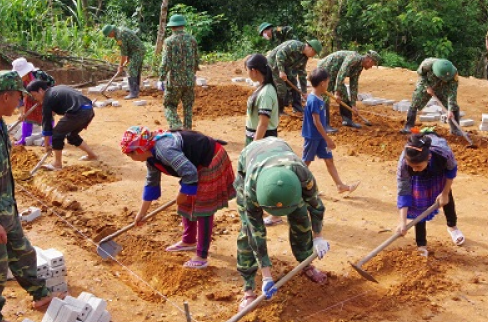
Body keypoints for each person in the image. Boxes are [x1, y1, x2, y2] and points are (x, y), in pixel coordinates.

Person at [0, 70, 61, 322]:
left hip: (4, 208)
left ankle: (40, 293)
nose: (20, 102)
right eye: (18, 96)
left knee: (23, 252)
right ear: (6, 96)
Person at [234, 137, 330, 311]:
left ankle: (305, 263)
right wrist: (266, 277)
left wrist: (318, 237)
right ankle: (248, 289)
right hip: (251, 159)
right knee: (247, 233)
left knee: (301, 218)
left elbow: (316, 205)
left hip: (282, 159)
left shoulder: (301, 172)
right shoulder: (251, 188)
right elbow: (256, 233)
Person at [121, 126, 236, 269]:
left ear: (140, 150)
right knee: (186, 201)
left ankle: (201, 256)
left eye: (131, 154)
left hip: (210, 159)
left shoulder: (165, 150)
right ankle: (189, 241)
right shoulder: (150, 157)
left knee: (203, 208)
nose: (131, 158)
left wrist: (183, 194)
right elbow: (152, 183)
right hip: (194, 165)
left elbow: (189, 173)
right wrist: (142, 212)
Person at [395, 133, 465, 257]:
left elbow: (451, 170)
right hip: (418, 180)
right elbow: (403, 191)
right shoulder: (404, 163)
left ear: (429, 157)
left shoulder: (443, 153)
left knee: (446, 198)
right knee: (419, 206)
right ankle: (421, 244)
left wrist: (444, 193)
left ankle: (452, 227)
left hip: (438, 172)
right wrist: (403, 222)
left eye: (418, 166)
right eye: (412, 166)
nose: (415, 169)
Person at [302, 68, 360, 195]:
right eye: (328, 82)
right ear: (322, 83)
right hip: (313, 137)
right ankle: (295, 185)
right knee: (306, 162)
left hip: (321, 137)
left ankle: (340, 185)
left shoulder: (319, 98)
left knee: (329, 160)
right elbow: (317, 123)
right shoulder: (313, 100)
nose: (328, 85)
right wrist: (328, 139)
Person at [25, 81, 98, 170]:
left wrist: (47, 144)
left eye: (35, 96)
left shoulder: (47, 99)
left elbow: (47, 124)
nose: (35, 99)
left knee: (57, 133)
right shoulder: (58, 89)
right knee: (71, 135)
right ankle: (92, 155)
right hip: (88, 110)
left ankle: (57, 164)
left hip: (77, 112)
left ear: (40, 90)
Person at [317, 50, 380, 130]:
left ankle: (347, 120)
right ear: (370, 60)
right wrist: (337, 93)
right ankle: (324, 125)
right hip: (326, 68)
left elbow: (354, 84)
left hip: (335, 73)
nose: (371, 66)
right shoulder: (354, 58)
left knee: (344, 95)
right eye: (373, 64)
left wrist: (353, 104)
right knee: (325, 97)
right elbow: (341, 74)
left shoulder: (359, 66)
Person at [158, 14, 200, 130]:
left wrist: (161, 78)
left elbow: (166, 62)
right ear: (183, 25)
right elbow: (196, 60)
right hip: (189, 80)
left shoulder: (169, 42)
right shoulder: (192, 40)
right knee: (188, 107)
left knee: (169, 105)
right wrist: (193, 75)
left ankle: (176, 127)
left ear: (172, 27)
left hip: (174, 82)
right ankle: (188, 131)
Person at [401, 58, 461, 135]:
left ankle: (455, 130)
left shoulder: (453, 73)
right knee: (416, 100)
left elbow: (452, 92)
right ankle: (408, 126)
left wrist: (450, 109)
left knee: (453, 107)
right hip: (427, 82)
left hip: (443, 87)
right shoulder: (427, 64)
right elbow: (421, 75)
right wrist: (427, 87)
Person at [266, 39, 322, 115]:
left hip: (286, 68)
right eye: (314, 53)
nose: (313, 56)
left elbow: (302, 73)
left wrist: (304, 92)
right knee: (281, 88)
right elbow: (279, 54)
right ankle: (279, 110)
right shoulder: (295, 45)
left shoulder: (304, 58)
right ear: (311, 49)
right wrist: (281, 71)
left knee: (294, 84)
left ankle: (297, 108)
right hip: (274, 65)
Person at [11, 57, 55, 146]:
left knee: (47, 117)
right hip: (29, 100)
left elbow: (52, 83)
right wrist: (21, 111)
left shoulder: (39, 75)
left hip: (44, 98)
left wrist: (46, 96)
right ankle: (24, 139)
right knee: (27, 118)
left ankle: (49, 140)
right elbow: (18, 96)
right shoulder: (18, 82)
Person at [244, 54, 280, 146]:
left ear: (254, 71)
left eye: (247, 70)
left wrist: (254, 147)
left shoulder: (266, 93)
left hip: (261, 141)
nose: (247, 73)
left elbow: (263, 125)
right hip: (258, 138)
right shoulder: (263, 88)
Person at [102, 24, 146, 99]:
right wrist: (128, 58)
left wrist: (120, 66)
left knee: (131, 70)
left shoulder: (119, 36)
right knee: (136, 70)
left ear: (111, 31)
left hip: (137, 51)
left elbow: (123, 53)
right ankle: (136, 90)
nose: (109, 37)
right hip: (138, 49)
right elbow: (128, 44)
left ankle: (133, 93)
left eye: (108, 35)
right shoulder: (121, 29)